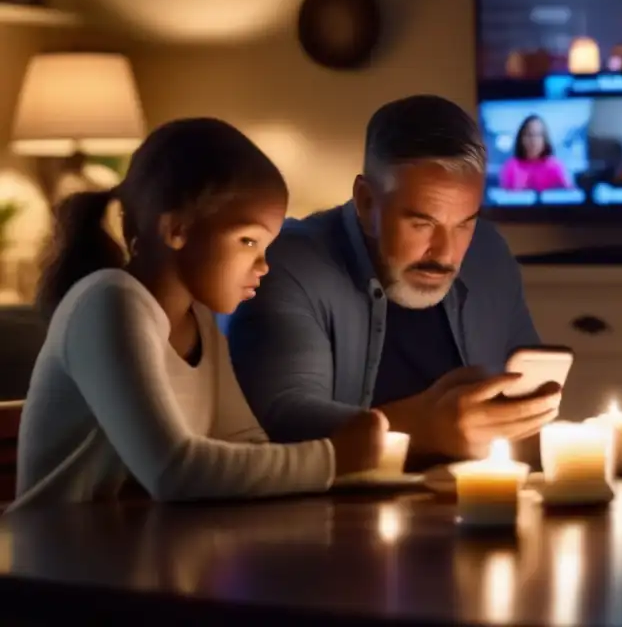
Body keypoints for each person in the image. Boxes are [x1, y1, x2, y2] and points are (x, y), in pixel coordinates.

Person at [11, 119, 387, 511]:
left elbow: (242, 440)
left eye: (266, 245)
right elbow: (173, 470)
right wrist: (333, 458)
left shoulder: (200, 320)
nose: (263, 264)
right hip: (54, 562)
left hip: (139, 558)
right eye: (247, 240)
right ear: (177, 229)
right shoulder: (109, 302)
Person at [224, 95, 562, 465]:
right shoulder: (287, 263)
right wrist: (422, 429)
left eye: (465, 222)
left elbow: (525, 393)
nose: (446, 253)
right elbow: (281, 422)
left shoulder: (489, 253)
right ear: (367, 203)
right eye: (421, 223)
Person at [498, 114, 573, 191]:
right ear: (521, 138)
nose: (533, 140)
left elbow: (570, 196)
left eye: (538, 135)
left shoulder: (555, 167)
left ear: (545, 139)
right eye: (529, 135)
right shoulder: (511, 167)